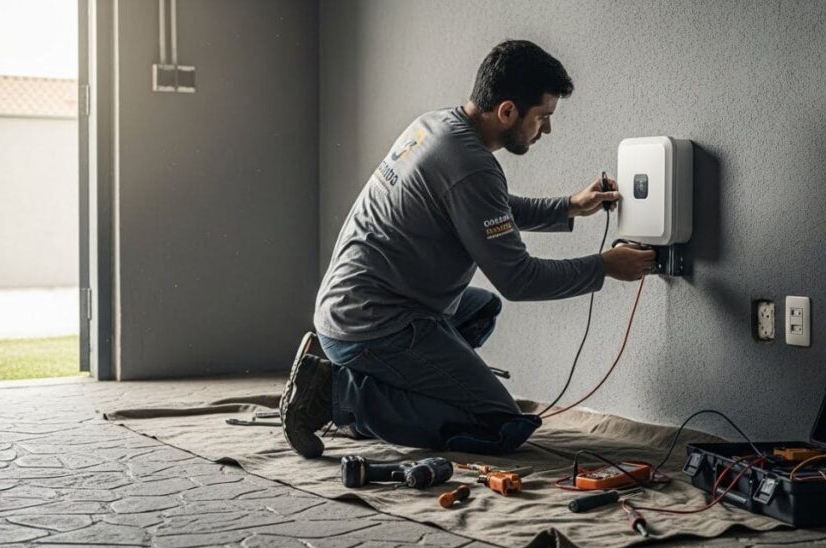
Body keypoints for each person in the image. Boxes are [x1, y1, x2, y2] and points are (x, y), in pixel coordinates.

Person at [280, 39, 656, 458]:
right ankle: (336, 393)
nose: (546, 130)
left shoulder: (436, 126)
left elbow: (484, 208)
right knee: (500, 425)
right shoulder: (471, 167)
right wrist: (604, 266)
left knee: (479, 311)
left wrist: (568, 207)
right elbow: (518, 279)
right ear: (508, 111)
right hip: (371, 325)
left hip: (350, 307)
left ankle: (364, 383)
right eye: (543, 117)